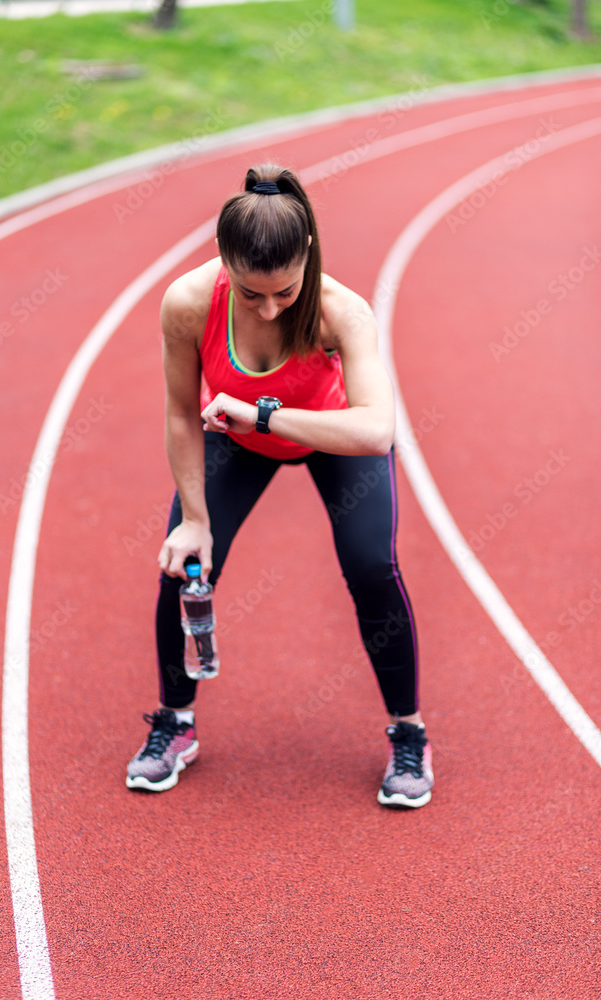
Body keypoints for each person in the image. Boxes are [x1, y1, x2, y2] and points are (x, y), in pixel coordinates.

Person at [126, 164, 434, 808]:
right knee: (181, 562)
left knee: (372, 565)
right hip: (235, 441)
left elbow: (376, 430)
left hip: (330, 439)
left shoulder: (341, 311)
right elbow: (182, 412)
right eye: (249, 293)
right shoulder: (187, 302)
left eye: (285, 293)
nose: (268, 307)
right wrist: (193, 518)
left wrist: (261, 410)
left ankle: (409, 734)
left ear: (309, 260)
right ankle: (174, 724)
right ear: (222, 260)